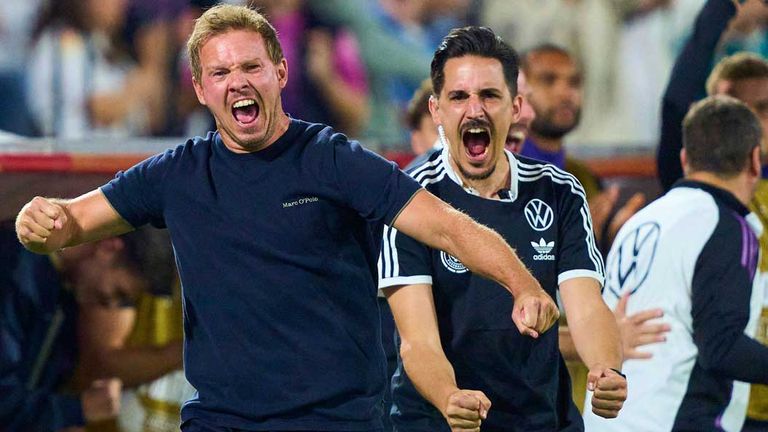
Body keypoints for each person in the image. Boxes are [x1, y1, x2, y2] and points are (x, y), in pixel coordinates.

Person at [14, 5, 559, 431]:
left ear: (279, 72)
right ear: (201, 90)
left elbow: (446, 224)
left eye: (251, 66)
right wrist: (41, 223)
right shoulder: (177, 173)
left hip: (338, 421)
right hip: (219, 421)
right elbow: (74, 222)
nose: (238, 81)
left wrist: (523, 284)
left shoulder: (333, 159)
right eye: (220, 72)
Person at [378, 26, 627, 432]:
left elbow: (585, 304)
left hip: (542, 420)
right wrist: (449, 398)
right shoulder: (409, 200)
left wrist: (606, 369)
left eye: (489, 95)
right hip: (441, 422)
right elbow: (417, 341)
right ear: (437, 110)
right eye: (459, 96)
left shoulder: (557, 190)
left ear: (516, 106)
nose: (474, 110)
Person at [585, 95, 768, 432]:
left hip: (606, 421)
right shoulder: (727, 225)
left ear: (685, 159)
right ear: (755, 160)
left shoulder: (640, 222)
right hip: (671, 419)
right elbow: (721, 347)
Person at [655, 2, 768, 429]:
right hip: (720, 406)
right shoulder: (693, 188)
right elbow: (675, 102)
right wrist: (720, 9)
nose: (747, 122)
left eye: (762, 107)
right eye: (731, 108)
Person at [0, 223, 166, 431]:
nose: (111, 305)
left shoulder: (65, 299)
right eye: (119, 292)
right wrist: (78, 410)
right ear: (109, 248)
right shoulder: (13, 269)